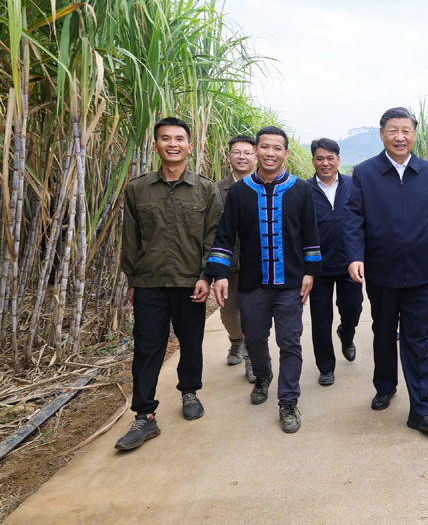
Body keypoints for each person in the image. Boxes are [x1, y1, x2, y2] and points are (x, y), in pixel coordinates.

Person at [343, 107, 428, 433]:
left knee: (418, 339)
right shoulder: (364, 173)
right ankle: (385, 385)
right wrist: (354, 256)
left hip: (423, 274)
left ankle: (420, 410)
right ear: (381, 134)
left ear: (414, 134)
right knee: (383, 331)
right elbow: (353, 219)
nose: (400, 137)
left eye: (406, 130)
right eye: (393, 130)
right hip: (381, 273)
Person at [115, 117, 222, 450]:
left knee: (191, 341)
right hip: (148, 282)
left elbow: (213, 237)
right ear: (156, 145)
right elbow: (130, 238)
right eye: (165, 139)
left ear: (190, 147)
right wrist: (132, 279)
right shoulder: (137, 188)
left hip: (191, 282)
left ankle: (189, 391)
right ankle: (144, 415)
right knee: (147, 348)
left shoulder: (206, 189)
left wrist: (207, 276)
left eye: (179, 139)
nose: (172, 144)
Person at [207, 126, 320, 434]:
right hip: (253, 282)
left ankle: (288, 401)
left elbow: (310, 233)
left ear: (285, 153)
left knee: (289, 342)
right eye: (265, 147)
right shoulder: (241, 191)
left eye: (277, 148)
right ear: (256, 150)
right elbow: (226, 235)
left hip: (290, 283)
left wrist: (311, 271)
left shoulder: (300, 190)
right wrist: (218, 274)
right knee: (254, 339)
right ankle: (263, 376)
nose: (271, 153)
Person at [307, 138, 363, 386]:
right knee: (320, 319)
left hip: (350, 263)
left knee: (353, 308)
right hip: (317, 266)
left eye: (330, 158)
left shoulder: (354, 186)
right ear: (313, 161)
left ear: (338, 160)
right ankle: (326, 367)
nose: (325, 163)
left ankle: (347, 334)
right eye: (320, 158)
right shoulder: (303, 189)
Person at [217, 134, 258, 381]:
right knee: (229, 313)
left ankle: (252, 358)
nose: (242, 157)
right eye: (236, 152)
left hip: (257, 264)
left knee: (254, 314)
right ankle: (236, 341)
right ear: (229, 156)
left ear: (256, 156)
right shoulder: (216, 190)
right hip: (229, 264)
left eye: (247, 153)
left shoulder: (265, 186)